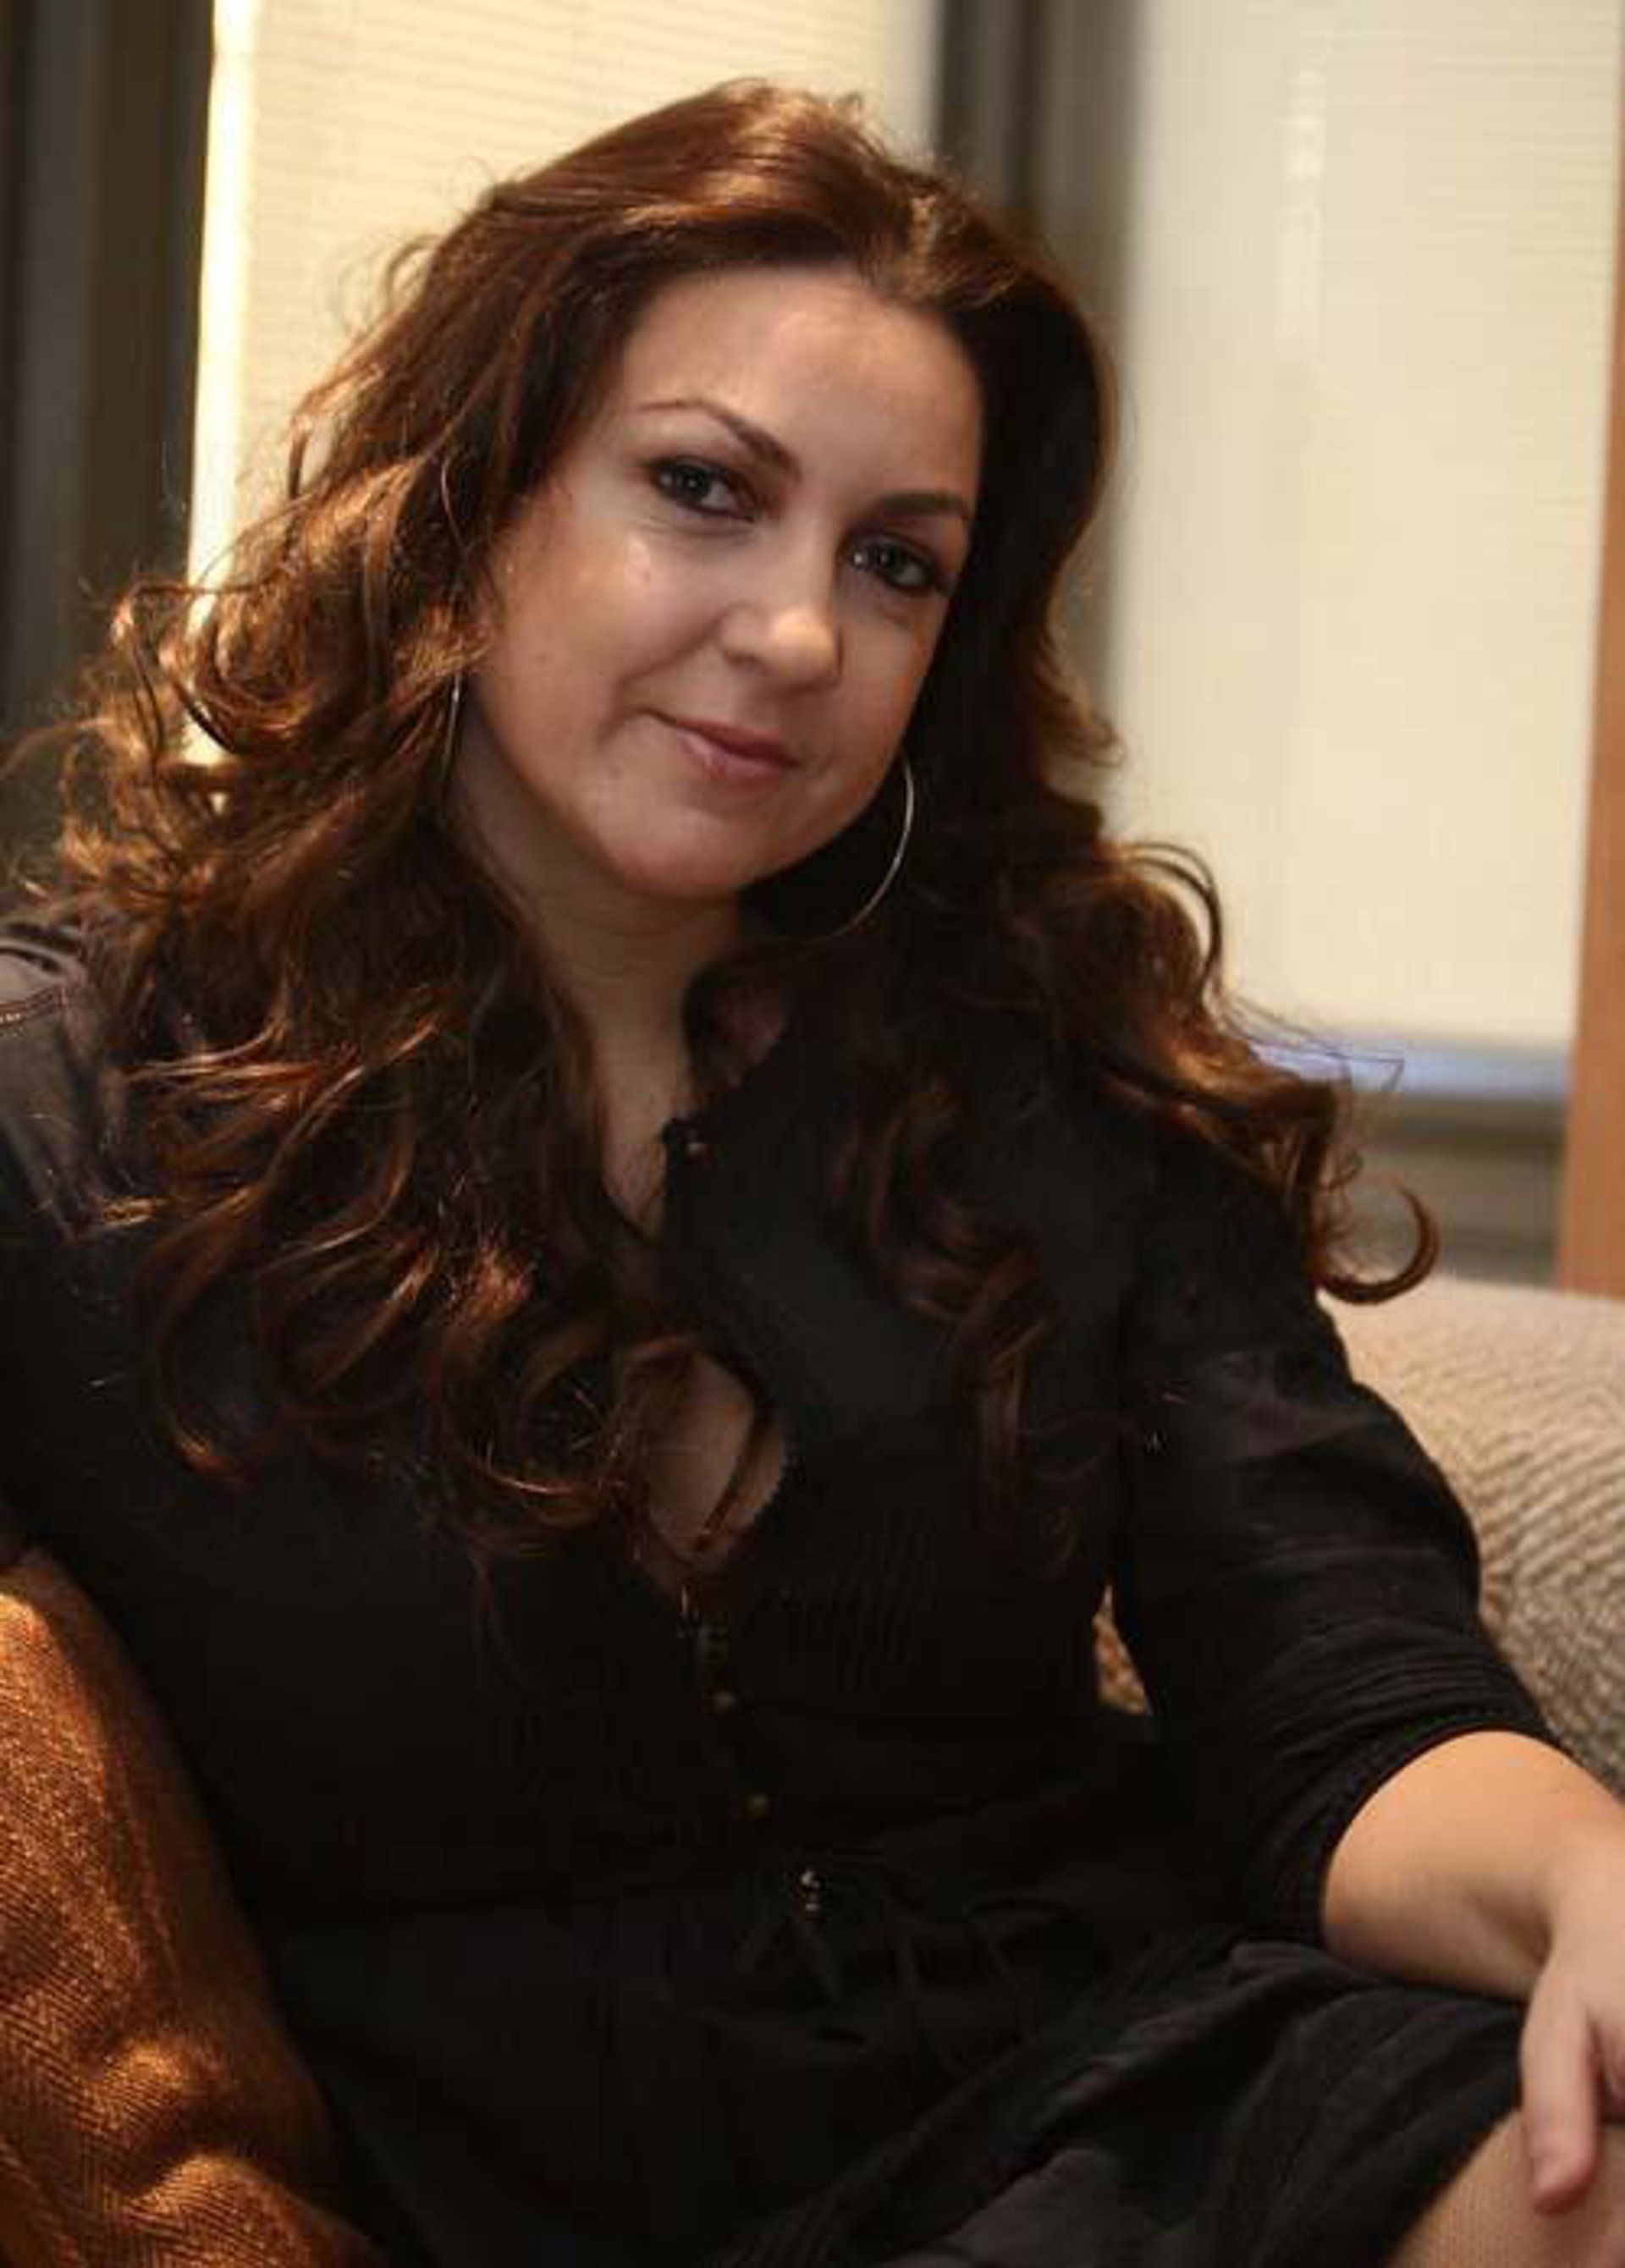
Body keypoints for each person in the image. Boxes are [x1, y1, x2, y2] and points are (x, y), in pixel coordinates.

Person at [2, 77, 1622, 2268]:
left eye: (895, 564)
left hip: (1131, 2117)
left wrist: (1587, 1880)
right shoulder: (89, 1104)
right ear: (471, 503)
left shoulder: (1045, 1068)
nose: (796, 636)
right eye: (702, 491)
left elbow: (1341, 1694)